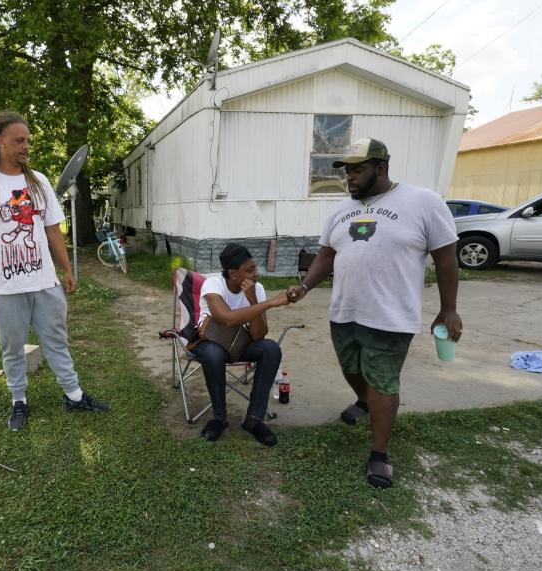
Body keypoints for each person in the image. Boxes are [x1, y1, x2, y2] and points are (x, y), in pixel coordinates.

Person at [285, 138, 462, 488]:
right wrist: (305, 287)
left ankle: (379, 454)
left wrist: (448, 309)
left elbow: (446, 259)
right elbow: (325, 256)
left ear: (381, 167)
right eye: (347, 171)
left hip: (391, 316)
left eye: (358, 170)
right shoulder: (339, 211)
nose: (349, 177)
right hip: (344, 312)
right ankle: (363, 401)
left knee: (382, 379)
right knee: (352, 369)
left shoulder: (423, 202)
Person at [0, 111, 110, 432]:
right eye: (19, 140)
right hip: (5, 284)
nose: (26, 146)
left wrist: (67, 269)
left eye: (28, 140)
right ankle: (19, 400)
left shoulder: (38, 181)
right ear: (0, 142)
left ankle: (73, 395)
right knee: (12, 347)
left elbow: (53, 230)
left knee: (56, 339)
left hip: (44, 280)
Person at [194, 242, 291, 445]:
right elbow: (227, 318)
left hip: (240, 343)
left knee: (270, 349)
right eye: (249, 270)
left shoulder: (257, 289)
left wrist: (254, 299)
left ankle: (254, 420)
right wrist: (271, 302)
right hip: (213, 341)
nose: (255, 274)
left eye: (255, 268)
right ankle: (219, 419)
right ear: (233, 273)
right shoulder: (213, 284)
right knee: (213, 354)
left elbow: (258, 335)